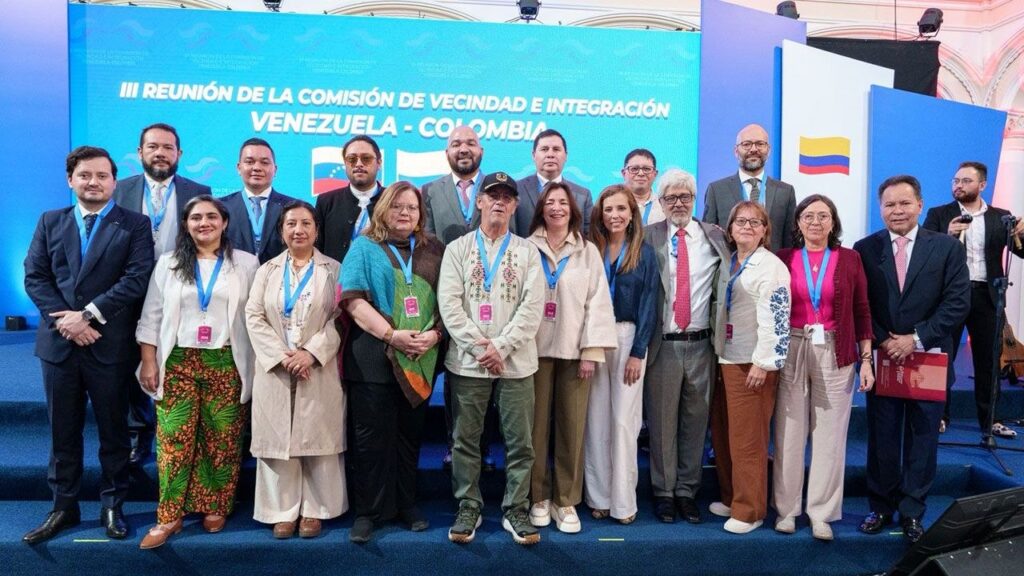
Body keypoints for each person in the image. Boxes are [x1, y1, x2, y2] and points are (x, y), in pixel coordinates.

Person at [23, 146, 154, 545]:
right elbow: (35, 276)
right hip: (60, 345)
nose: (93, 182)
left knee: (114, 432)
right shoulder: (50, 221)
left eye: (101, 176)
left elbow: (136, 278)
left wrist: (89, 315)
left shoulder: (135, 224)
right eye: (84, 175)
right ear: (71, 180)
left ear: (114, 182)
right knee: (63, 432)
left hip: (109, 345)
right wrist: (67, 322)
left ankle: (113, 504)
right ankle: (63, 506)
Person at [135, 195, 258, 549]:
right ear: (186, 224)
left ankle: (215, 505)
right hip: (178, 362)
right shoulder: (169, 262)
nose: (204, 223)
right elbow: (151, 314)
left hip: (227, 360)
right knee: (174, 440)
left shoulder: (246, 263)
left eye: (211, 217)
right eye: (196, 218)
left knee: (223, 440)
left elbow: (255, 314)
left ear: (224, 222)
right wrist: (148, 359)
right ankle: (169, 515)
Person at [854, 175, 970, 543]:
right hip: (884, 355)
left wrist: (916, 338)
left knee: (922, 438)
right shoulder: (864, 249)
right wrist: (886, 340)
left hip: (929, 357)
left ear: (920, 205)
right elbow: (861, 304)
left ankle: (912, 512)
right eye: (889, 204)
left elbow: (957, 302)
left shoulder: (947, 248)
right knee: (883, 437)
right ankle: (881, 507)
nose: (897, 210)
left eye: (904, 203)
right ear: (880, 209)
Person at [438, 172, 544, 545]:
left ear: (515, 205)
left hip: (516, 364)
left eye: (506, 197)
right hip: (468, 363)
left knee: (520, 443)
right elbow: (449, 305)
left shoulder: (528, 251)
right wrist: (482, 348)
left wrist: (502, 347)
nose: (499, 201)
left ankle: (516, 509)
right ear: (479, 202)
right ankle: (469, 505)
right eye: (492, 195)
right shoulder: (458, 249)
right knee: (465, 440)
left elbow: (533, 307)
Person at [340, 181, 445, 543]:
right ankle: (368, 513)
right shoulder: (364, 246)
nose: (405, 213)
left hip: (420, 358)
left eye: (412, 207)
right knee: (370, 441)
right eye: (397, 206)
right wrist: (392, 335)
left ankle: (406, 504)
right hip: (374, 358)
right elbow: (353, 302)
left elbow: (450, 299)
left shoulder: (434, 249)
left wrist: (436, 335)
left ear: (420, 214)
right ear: (383, 208)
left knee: (408, 437)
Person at [772, 194, 874, 541]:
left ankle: (821, 514)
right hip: (792, 346)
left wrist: (866, 360)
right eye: (808, 216)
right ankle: (786, 510)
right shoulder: (783, 258)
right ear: (798, 223)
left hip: (836, 349)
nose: (815, 222)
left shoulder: (850, 259)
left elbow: (862, 310)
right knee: (789, 433)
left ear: (833, 223)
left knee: (830, 436)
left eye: (823, 216)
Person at [245, 200, 346, 540]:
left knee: (318, 436)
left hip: (317, 366)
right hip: (276, 366)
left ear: (316, 230)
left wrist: (311, 353)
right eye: (291, 224)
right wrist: (283, 356)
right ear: (281, 231)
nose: (298, 230)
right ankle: (281, 511)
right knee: (277, 440)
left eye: (305, 223)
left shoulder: (334, 269)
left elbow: (340, 317)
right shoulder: (266, 270)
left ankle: (317, 509)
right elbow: (253, 315)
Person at [114, 122, 209, 466]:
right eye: (153, 147)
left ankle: (179, 430)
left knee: (173, 360)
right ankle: (140, 434)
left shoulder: (198, 190)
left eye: (168, 147)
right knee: (130, 363)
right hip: (127, 292)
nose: (160, 153)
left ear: (179, 154)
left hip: (178, 292)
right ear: (140, 152)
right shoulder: (120, 190)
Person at [526, 182, 617, 533]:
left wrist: (591, 351)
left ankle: (565, 500)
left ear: (573, 209)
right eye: (550, 202)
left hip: (575, 352)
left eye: (563, 202)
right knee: (534, 431)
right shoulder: (525, 247)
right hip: (532, 353)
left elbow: (598, 302)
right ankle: (538, 497)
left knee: (572, 429)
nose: (557, 208)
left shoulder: (587, 251)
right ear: (541, 208)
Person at [643, 169, 729, 524]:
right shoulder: (647, 236)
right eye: (670, 198)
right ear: (661, 202)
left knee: (696, 423)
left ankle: (687, 491)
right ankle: (664, 492)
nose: (678, 203)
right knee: (662, 424)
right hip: (663, 344)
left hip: (702, 344)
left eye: (685, 197)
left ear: (694, 200)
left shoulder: (715, 236)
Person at [922, 161, 1024, 437]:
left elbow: (1021, 251)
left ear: (982, 185)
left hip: (987, 295)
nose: (958, 185)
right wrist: (947, 236)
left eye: (966, 181)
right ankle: (939, 415)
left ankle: (990, 420)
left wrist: (1021, 234)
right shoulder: (939, 214)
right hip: (950, 296)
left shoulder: (1001, 217)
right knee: (944, 357)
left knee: (989, 360)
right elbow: (925, 252)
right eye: (956, 180)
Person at [709, 200, 791, 534]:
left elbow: (778, 319)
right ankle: (732, 498)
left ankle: (750, 510)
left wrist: (764, 363)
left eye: (755, 222)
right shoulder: (730, 260)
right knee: (725, 436)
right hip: (725, 358)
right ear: (729, 229)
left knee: (748, 441)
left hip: (752, 364)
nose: (747, 226)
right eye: (740, 221)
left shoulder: (770, 266)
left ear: (765, 231)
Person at [422, 125, 498, 471]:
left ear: (481, 150)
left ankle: (483, 447)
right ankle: (455, 447)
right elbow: (425, 242)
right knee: (454, 374)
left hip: (494, 299)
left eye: (470, 142)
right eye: (456, 144)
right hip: (446, 296)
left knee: (487, 375)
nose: (463, 148)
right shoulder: (430, 190)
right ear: (447, 153)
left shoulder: (497, 188)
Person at [584, 184, 659, 524]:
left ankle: (623, 503)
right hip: (594, 338)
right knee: (596, 420)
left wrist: (638, 352)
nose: (614, 215)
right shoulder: (591, 249)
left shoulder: (644, 253)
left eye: (621, 209)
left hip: (628, 337)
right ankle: (598, 497)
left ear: (632, 214)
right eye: (608, 209)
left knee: (624, 422)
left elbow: (649, 304)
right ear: (600, 214)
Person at [703, 124, 796, 251]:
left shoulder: (785, 192)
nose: (753, 149)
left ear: (768, 150)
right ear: (736, 151)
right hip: (731, 263)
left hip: (772, 262)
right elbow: (708, 240)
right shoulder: (716, 190)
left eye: (760, 144)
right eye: (746, 144)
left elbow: (789, 243)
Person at [221, 138, 292, 264]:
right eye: (250, 162)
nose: (257, 168)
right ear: (239, 168)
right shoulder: (221, 207)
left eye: (264, 162)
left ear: (275, 169)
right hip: (233, 274)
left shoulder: (292, 208)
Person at [316, 135, 384, 263]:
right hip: (337, 275)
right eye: (352, 159)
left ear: (379, 163)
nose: (359, 164)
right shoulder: (326, 201)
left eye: (366, 158)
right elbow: (317, 249)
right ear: (345, 164)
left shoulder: (393, 200)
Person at [513, 129, 593, 236]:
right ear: (533, 155)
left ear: (566, 156)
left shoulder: (582, 195)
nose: (550, 154)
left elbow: (588, 237)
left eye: (556, 149)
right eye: (544, 149)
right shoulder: (516, 190)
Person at [622, 149, 664, 226]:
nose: (641, 173)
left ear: (655, 174)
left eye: (646, 169)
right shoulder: (612, 204)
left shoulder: (664, 205)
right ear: (624, 173)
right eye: (634, 169)